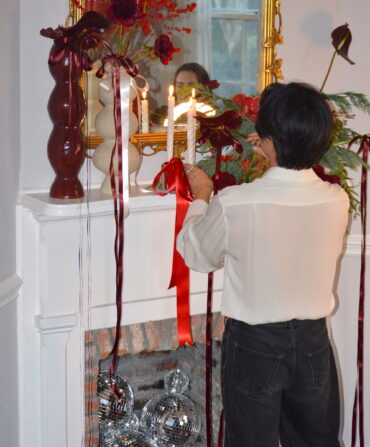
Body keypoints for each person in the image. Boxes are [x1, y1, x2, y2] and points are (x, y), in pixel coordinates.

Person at [177, 82, 349, 447]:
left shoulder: (237, 202)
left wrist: (202, 197)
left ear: (268, 138)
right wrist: (274, 154)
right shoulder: (336, 199)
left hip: (255, 344)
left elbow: (197, 255)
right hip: (312, 343)